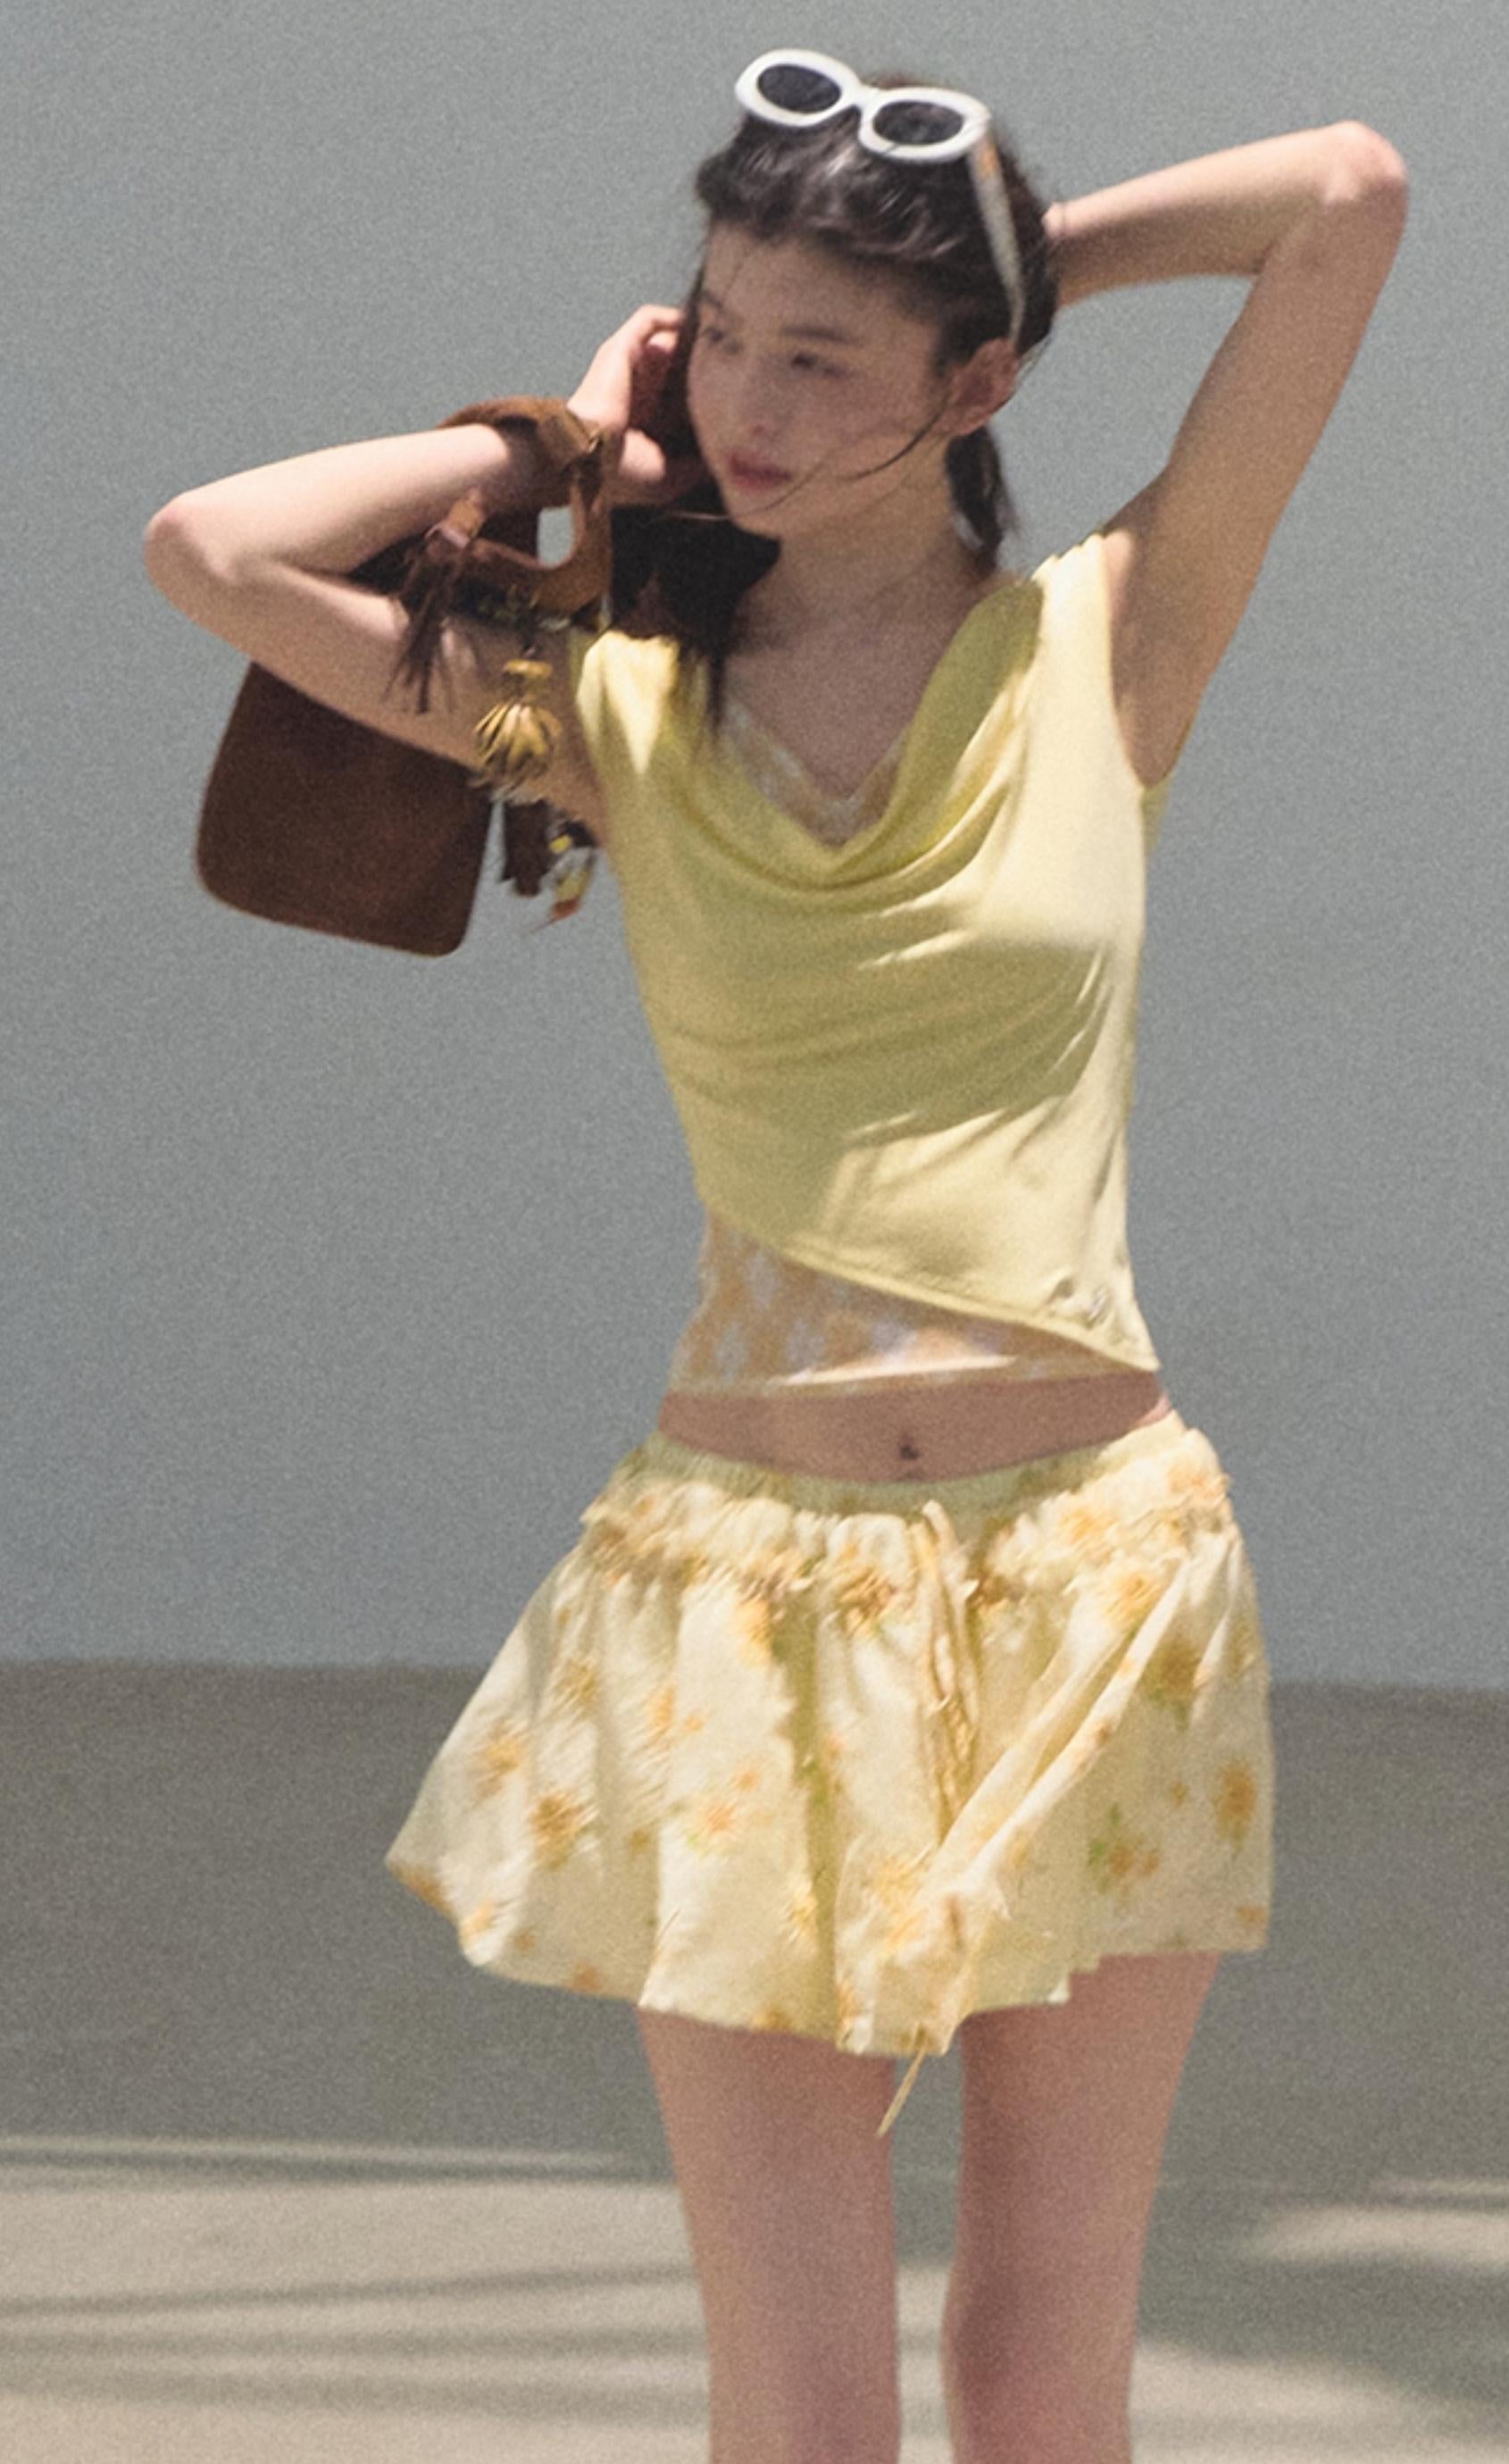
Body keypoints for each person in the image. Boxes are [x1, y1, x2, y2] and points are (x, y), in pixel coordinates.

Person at [145, 48, 1407, 2464]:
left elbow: (1343, 193)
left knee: (1042, 2383)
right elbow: (213, 546)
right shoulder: (600, 713)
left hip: (1098, 1590)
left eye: (822, 355)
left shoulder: (1114, 641)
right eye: (720, 334)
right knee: (804, 2408)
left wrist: (1006, 265)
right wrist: (565, 457)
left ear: (978, 388)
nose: (751, 400)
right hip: (743, 1605)